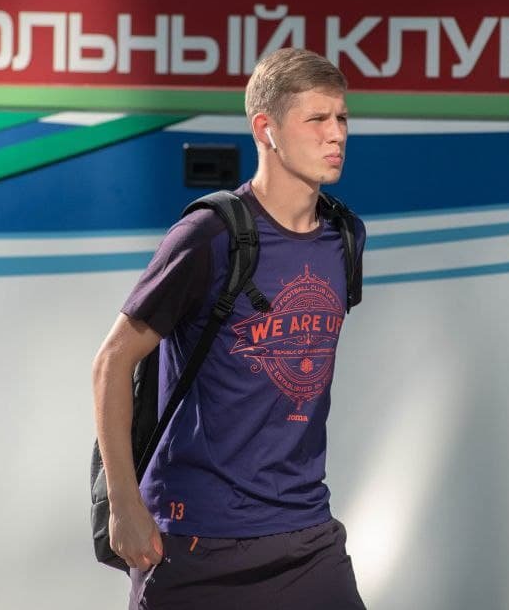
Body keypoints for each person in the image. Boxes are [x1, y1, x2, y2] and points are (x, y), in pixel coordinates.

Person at [91, 47, 367, 609]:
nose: (336, 133)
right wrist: (123, 504)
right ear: (266, 129)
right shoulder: (209, 236)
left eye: (341, 117)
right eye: (316, 118)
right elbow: (112, 362)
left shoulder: (345, 238)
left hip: (305, 532)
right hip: (196, 540)